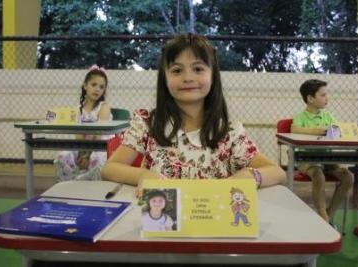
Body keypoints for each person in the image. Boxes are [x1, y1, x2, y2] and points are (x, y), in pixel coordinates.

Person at [101, 34, 286, 193]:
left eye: (198, 69)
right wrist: (144, 175)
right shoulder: (147, 124)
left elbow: (277, 172)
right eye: (177, 70)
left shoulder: (229, 132)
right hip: (161, 227)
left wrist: (249, 175)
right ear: (164, 79)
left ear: (213, 76)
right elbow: (109, 169)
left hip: (212, 227)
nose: (188, 77)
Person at [291, 79, 354, 222]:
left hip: (328, 158)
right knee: (318, 175)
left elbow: (339, 129)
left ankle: (326, 217)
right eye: (323, 95)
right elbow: (295, 129)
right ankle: (322, 213)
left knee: (348, 177)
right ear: (310, 98)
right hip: (307, 159)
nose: (327, 98)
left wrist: (354, 130)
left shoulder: (327, 116)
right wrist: (318, 130)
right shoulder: (300, 118)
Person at [54, 65, 112, 181]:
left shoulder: (104, 108)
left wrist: (87, 156)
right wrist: (81, 154)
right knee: (62, 156)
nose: (97, 89)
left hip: (101, 147)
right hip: (83, 147)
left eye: (101, 87)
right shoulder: (77, 109)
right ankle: (70, 184)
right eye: (94, 85)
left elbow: (98, 134)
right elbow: (78, 135)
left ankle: (88, 185)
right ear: (85, 86)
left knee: (97, 159)